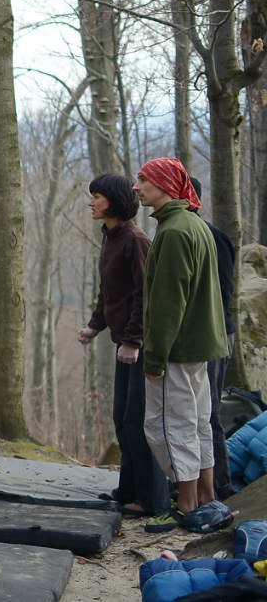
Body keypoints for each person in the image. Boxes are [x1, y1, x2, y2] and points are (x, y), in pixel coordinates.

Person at [133, 158, 234, 534]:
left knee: (165, 427)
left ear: (163, 185)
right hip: (201, 347)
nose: (137, 186)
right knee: (196, 424)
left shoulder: (175, 231)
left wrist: (155, 356)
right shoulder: (194, 224)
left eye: (143, 179)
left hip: (177, 350)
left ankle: (187, 504)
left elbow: (167, 303)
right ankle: (207, 498)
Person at [76, 174, 169, 517]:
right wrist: (94, 326)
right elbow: (110, 291)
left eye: (97, 196)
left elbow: (145, 296)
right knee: (122, 418)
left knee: (138, 422)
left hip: (139, 347)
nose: (91, 202)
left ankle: (153, 500)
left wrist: (133, 340)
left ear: (113, 201)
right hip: (123, 344)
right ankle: (127, 490)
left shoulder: (136, 241)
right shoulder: (111, 237)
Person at [190, 176, 239, 501]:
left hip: (215, 334)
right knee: (193, 413)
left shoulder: (212, 237)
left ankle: (218, 487)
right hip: (202, 335)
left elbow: (222, 292)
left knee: (208, 413)